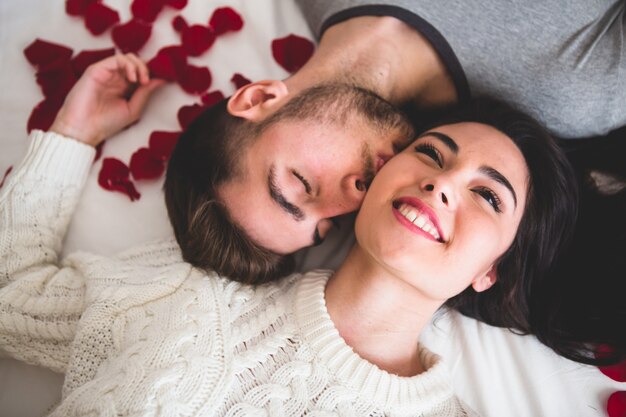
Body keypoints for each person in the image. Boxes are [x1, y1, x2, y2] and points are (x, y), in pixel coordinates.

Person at [0, 54, 579, 416]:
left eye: (489, 195)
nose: (444, 184)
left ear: (490, 270)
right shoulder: (187, 294)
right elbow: (10, 298)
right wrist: (71, 133)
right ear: (378, 182)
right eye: (429, 153)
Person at [163, 0, 626, 284]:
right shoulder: (570, 95)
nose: (355, 198)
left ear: (260, 98)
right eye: (330, 226)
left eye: (302, 185)